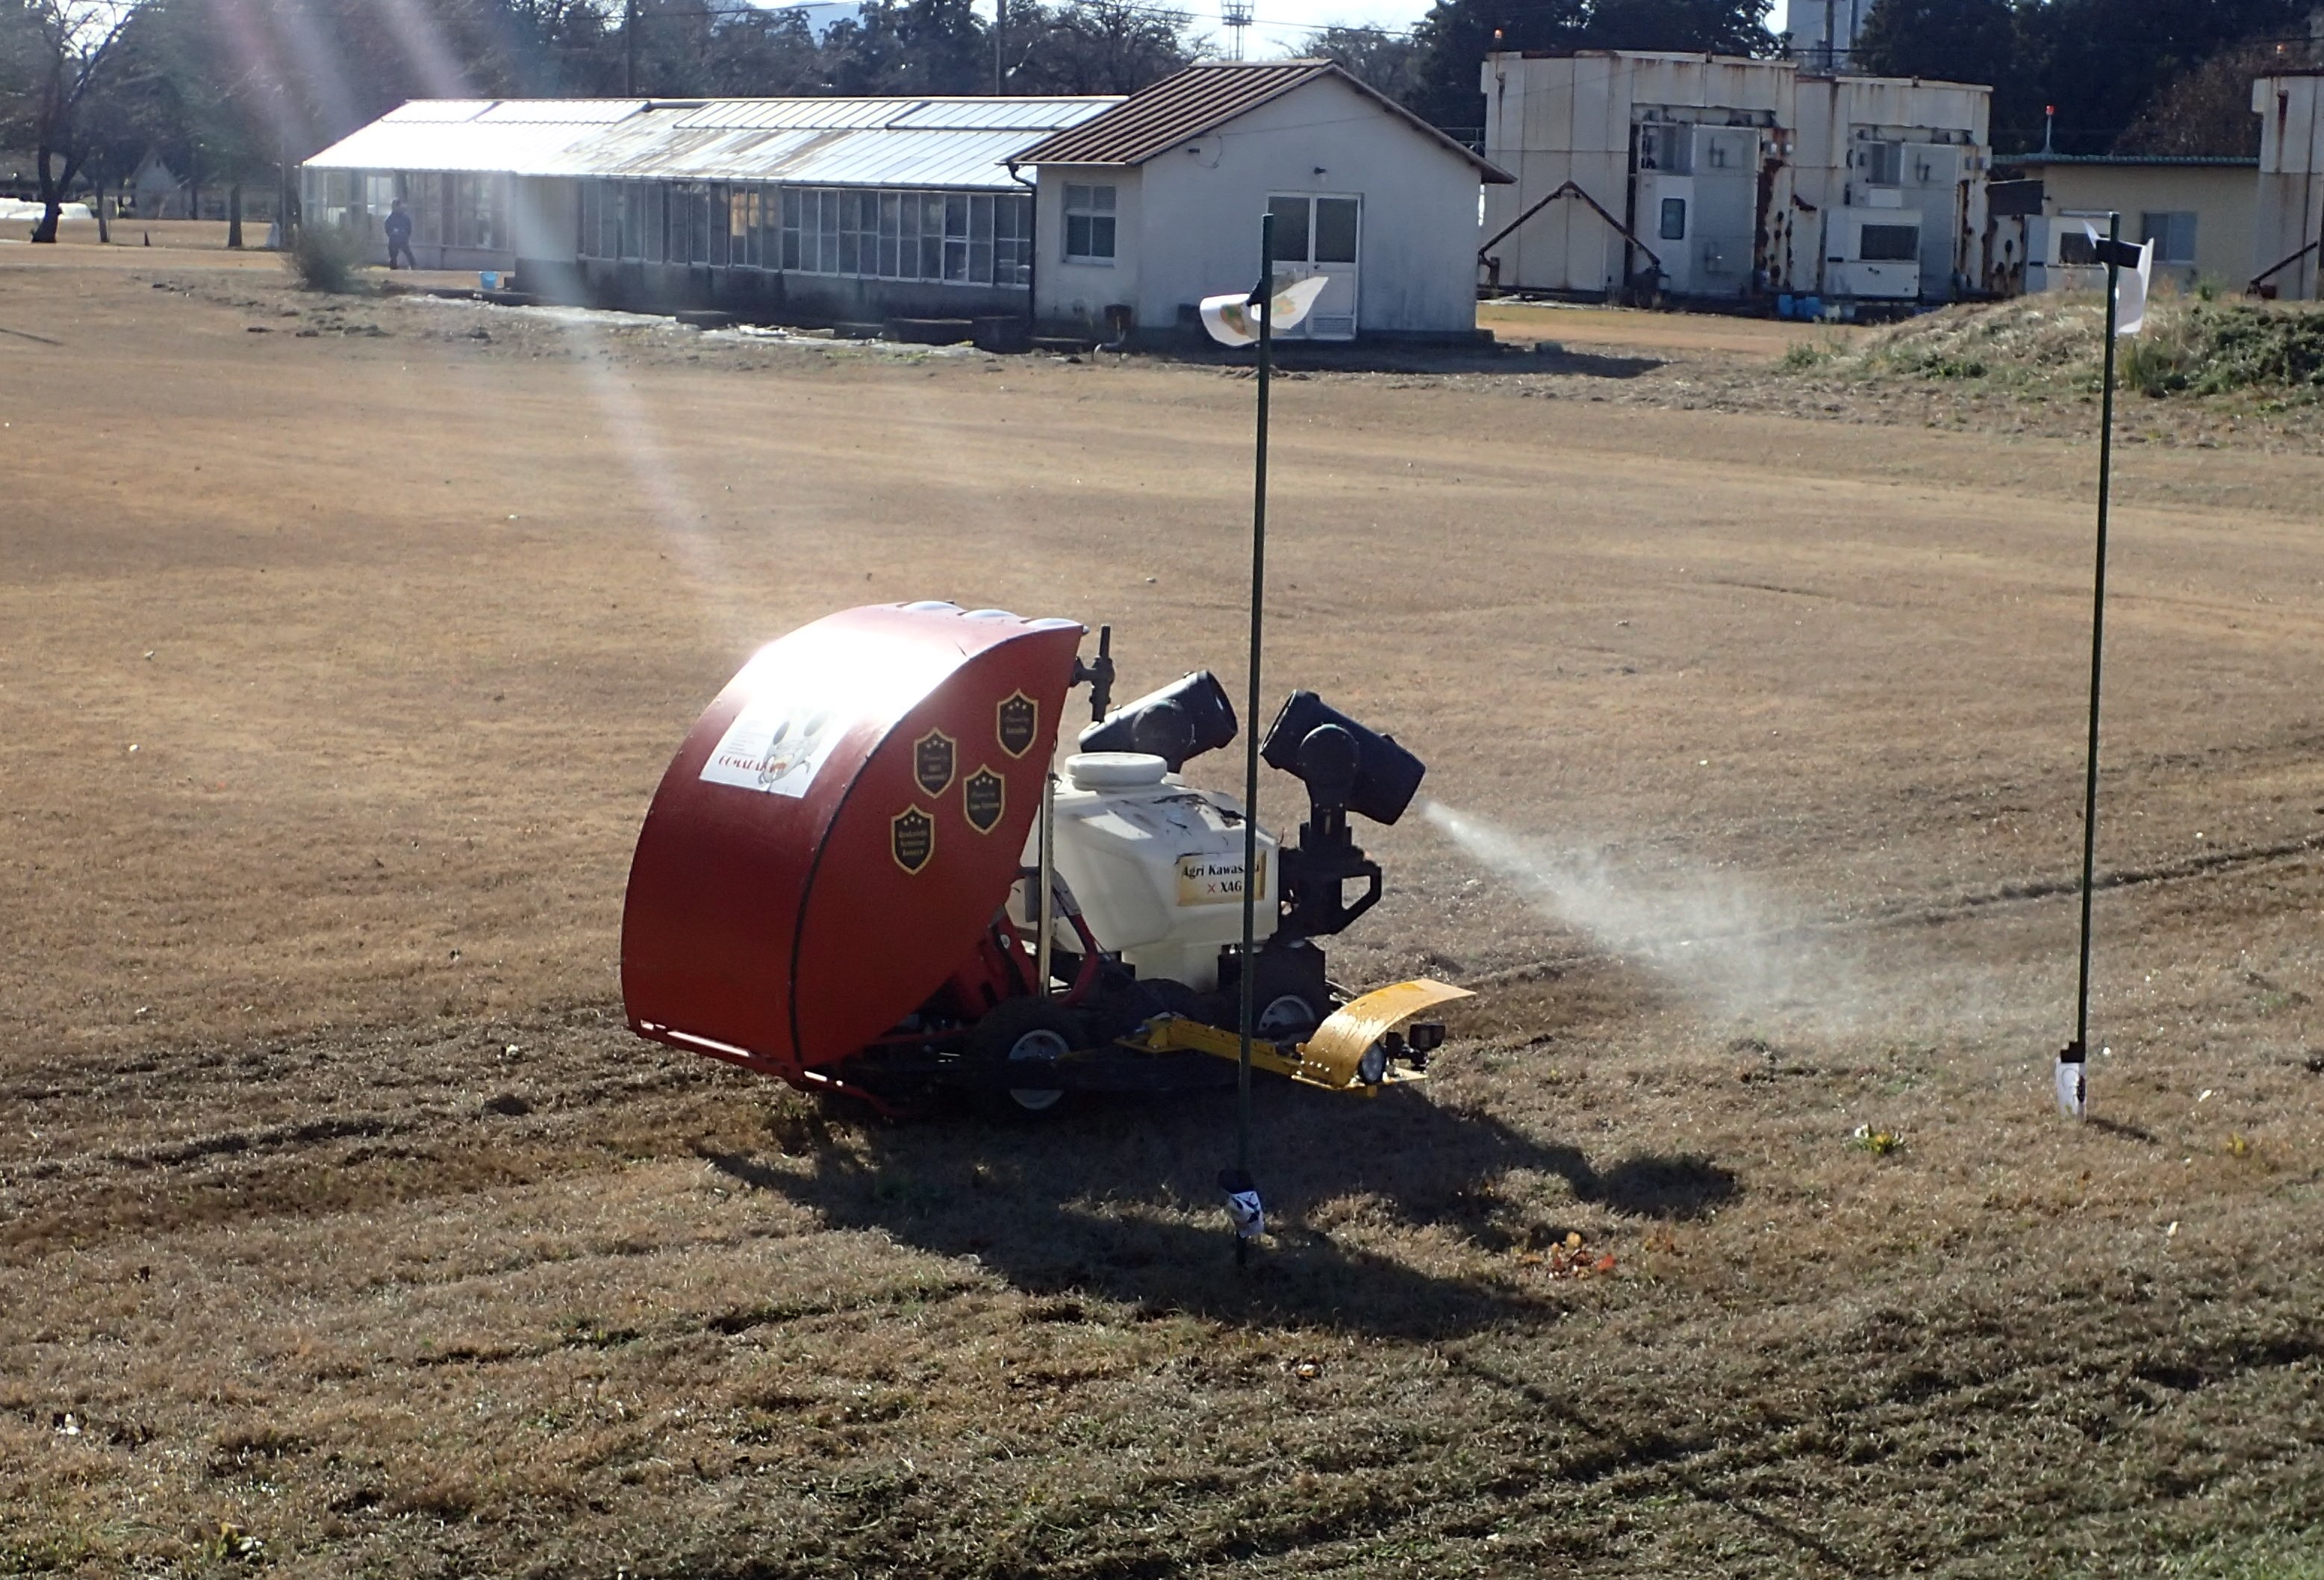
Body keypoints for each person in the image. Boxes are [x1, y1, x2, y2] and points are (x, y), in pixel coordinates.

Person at [383, 199, 415, 269]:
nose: (394, 208)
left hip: (403, 239)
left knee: (409, 254)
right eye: (393, 206)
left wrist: (405, 234)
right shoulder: (390, 218)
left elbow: (409, 227)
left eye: (396, 206)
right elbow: (387, 228)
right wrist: (392, 233)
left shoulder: (404, 218)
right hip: (393, 240)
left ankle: (414, 267)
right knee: (393, 257)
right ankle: (393, 270)